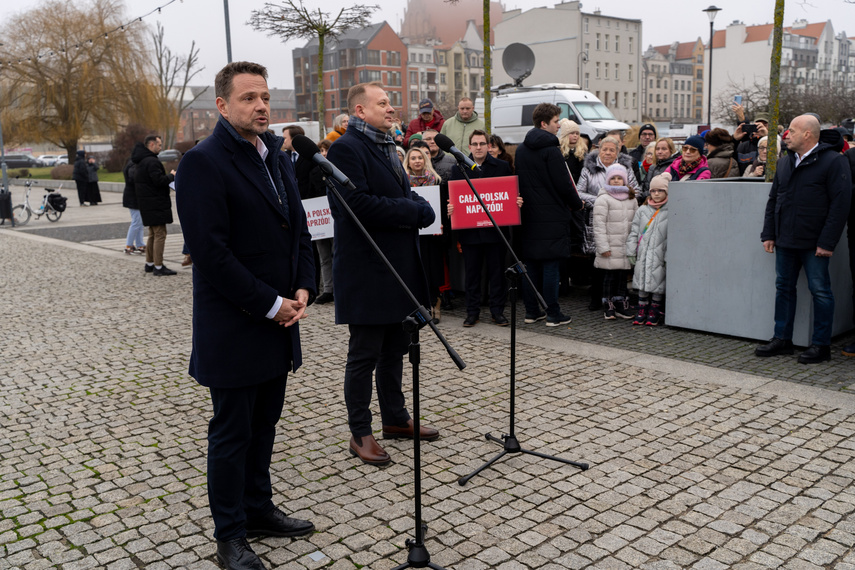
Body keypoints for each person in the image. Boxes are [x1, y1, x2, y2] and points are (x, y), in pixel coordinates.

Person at [175, 61, 317, 570]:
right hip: (237, 324)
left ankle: (259, 509)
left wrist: (303, 285)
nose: (260, 106)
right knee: (232, 433)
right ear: (221, 105)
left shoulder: (276, 156)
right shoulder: (203, 163)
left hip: (281, 319)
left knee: (266, 425)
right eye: (247, 98)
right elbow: (211, 254)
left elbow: (297, 227)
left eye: (264, 97)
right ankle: (229, 535)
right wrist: (272, 303)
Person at [326, 81, 439, 467]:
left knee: (395, 349)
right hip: (368, 271)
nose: (392, 109)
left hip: (399, 269)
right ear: (360, 110)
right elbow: (355, 206)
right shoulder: (346, 149)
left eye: (391, 103)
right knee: (364, 355)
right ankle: (361, 432)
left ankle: (396, 418)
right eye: (383, 103)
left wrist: (418, 208)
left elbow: (403, 195)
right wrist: (414, 212)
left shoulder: (389, 145)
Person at [756, 115, 851, 364]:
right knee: (783, 288)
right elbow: (774, 199)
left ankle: (821, 345)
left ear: (808, 134)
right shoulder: (785, 163)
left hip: (815, 243)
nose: (786, 135)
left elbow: (840, 206)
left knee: (820, 291)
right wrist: (769, 234)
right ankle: (782, 339)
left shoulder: (833, 162)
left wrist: (827, 242)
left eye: (792, 131)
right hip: (786, 239)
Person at [515, 102, 582, 326]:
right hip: (552, 215)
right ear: (544, 124)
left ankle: (532, 312)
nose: (559, 126)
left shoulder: (522, 150)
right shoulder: (551, 150)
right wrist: (577, 204)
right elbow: (564, 183)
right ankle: (553, 313)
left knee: (531, 265)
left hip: (529, 216)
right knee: (551, 266)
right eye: (555, 122)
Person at [448, 129, 516, 327]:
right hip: (470, 233)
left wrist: (515, 201)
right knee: (472, 275)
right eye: (475, 144)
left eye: (482, 144)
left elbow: (508, 196)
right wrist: (450, 207)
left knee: (497, 274)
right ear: (469, 147)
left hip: (496, 232)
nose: (478, 147)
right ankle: (472, 312)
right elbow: (455, 199)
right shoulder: (458, 168)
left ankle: (497, 312)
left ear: (489, 146)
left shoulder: (502, 167)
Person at [577, 135, 639, 309]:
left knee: (619, 263)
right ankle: (596, 298)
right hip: (597, 220)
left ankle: (617, 299)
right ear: (599, 150)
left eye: (612, 150)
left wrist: (618, 199)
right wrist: (602, 200)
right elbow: (579, 192)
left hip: (620, 222)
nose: (608, 153)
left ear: (617, 152)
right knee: (598, 261)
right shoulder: (588, 169)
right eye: (605, 149)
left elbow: (637, 190)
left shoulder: (625, 168)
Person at [403, 146, 445, 321]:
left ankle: (436, 302)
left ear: (425, 160)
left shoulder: (436, 180)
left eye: (420, 158)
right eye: (413, 158)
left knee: (432, 270)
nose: (417, 161)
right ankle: (419, 306)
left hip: (433, 234)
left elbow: (443, 206)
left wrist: (442, 223)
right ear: (408, 162)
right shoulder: (402, 182)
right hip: (412, 233)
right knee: (414, 270)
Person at [592, 164, 638, 319]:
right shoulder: (603, 199)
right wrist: (603, 246)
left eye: (620, 178)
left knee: (622, 278)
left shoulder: (631, 199)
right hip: (610, 247)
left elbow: (636, 223)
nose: (616, 181)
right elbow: (598, 225)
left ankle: (621, 305)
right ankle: (608, 306)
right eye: (613, 178)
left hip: (626, 247)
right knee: (609, 278)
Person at [627, 172, 670, 326]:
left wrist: (668, 257)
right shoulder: (642, 210)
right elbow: (633, 232)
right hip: (643, 254)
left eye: (660, 190)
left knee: (658, 284)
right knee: (642, 281)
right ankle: (642, 308)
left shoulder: (671, 211)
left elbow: (672, 238)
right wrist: (631, 251)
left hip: (660, 255)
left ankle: (654, 310)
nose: (656, 194)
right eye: (653, 190)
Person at [133, 135, 177, 276]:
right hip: (155, 202)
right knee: (160, 234)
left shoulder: (141, 161)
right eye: (158, 144)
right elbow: (158, 180)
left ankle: (150, 263)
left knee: (152, 233)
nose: (160, 147)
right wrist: (171, 176)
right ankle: (158, 266)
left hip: (147, 202)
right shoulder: (151, 161)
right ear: (151, 145)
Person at [307, 139, 336, 305]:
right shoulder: (314, 172)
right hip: (320, 222)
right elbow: (311, 194)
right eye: (321, 151)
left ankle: (339, 288)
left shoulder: (338, 170)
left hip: (334, 219)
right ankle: (328, 289)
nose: (324, 154)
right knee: (324, 256)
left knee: (337, 254)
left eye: (326, 150)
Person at [122, 155, 144, 255]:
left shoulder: (132, 164)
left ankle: (139, 244)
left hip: (134, 197)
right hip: (133, 198)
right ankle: (129, 245)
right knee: (136, 222)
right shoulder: (134, 165)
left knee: (139, 222)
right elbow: (134, 178)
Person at [559, 119, 587, 183]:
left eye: (577, 133)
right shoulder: (559, 150)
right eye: (572, 133)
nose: (575, 135)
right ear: (565, 135)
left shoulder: (582, 150)